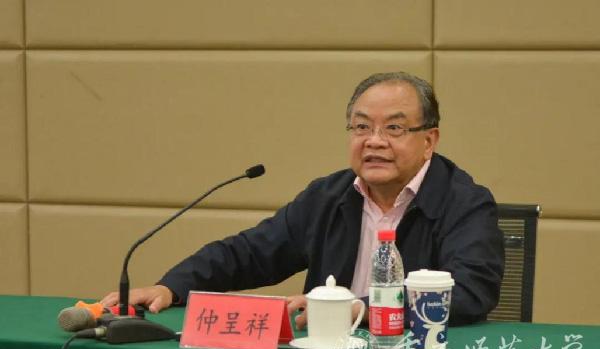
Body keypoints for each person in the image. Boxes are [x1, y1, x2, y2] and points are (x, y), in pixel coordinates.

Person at [101, 72, 504, 328]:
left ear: (429, 141)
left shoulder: (465, 203)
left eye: (394, 128)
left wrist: (361, 309)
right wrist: (172, 286)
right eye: (361, 127)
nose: (374, 141)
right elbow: (251, 253)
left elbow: (470, 292)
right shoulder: (328, 196)